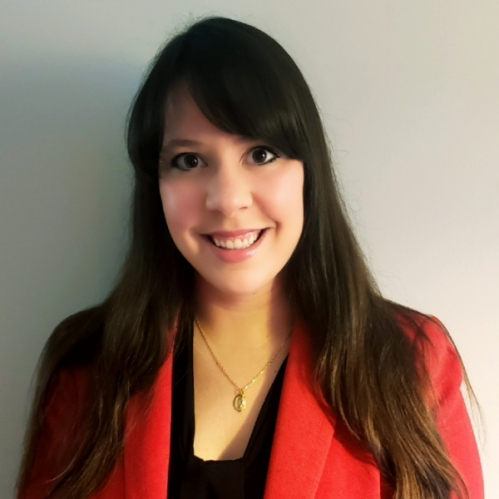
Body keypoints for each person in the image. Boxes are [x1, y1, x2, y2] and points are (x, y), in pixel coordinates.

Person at [16, 16, 483, 499]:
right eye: (189, 161)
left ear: (308, 172)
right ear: (155, 186)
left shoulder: (411, 362)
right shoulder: (87, 365)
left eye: (260, 154)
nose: (227, 198)